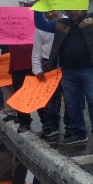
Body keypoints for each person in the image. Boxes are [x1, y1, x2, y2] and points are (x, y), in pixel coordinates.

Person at [34, 0, 93, 146]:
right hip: (68, 72)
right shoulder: (62, 23)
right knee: (72, 103)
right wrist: (39, 6)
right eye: (68, 9)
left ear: (81, 7)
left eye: (74, 8)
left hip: (90, 69)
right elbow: (41, 24)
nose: (71, 12)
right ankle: (78, 132)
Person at [32, 10, 65, 139]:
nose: (49, 14)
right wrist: (37, 69)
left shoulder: (69, 21)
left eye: (52, 11)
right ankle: (52, 125)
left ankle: (71, 127)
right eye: (46, 12)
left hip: (67, 63)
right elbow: (36, 50)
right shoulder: (41, 27)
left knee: (70, 98)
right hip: (48, 64)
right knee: (49, 97)